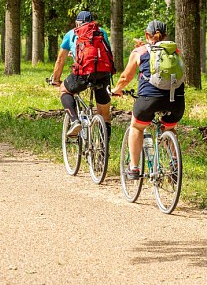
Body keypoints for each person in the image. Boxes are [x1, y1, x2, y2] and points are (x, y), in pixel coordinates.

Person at [111, 20, 185, 180]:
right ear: (166, 35)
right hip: (177, 101)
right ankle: (175, 165)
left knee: (137, 127)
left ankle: (134, 168)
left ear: (147, 35)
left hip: (149, 100)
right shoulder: (175, 51)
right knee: (169, 129)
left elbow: (125, 77)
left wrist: (116, 90)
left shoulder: (139, 52)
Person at [50, 10, 115, 142]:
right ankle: (103, 151)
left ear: (77, 23)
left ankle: (75, 121)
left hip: (83, 74)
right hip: (103, 75)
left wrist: (55, 79)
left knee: (64, 90)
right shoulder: (102, 32)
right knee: (105, 115)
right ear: (92, 22)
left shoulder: (71, 34)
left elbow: (60, 60)